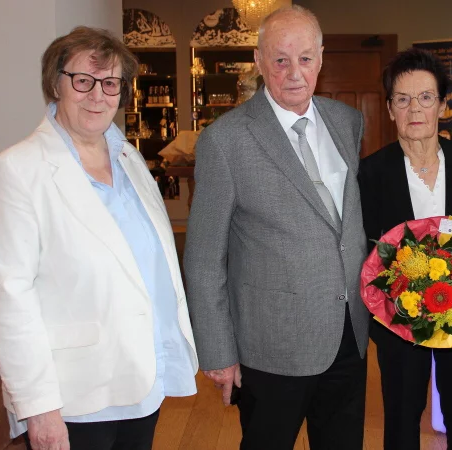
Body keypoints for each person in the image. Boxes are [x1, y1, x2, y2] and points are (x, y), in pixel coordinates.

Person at [0, 27, 198, 450]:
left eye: (111, 82)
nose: (97, 95)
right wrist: (38, 407)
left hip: (142, 381)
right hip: (75, 396)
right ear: (55, 84)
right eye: (83, 80)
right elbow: (10, 299)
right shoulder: (20, 169)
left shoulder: (130, 158)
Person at [184, 6, 368, 450]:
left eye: (305, 58)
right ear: (259, 59)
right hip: (270, 347)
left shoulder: (346, 122)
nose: (294, 73)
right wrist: (218, 352)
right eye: (280, 59)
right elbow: (204, 258)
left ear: (321, 58)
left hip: (348, 335)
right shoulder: (224, 141)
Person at [358, 48, 452, 450]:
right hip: (400, 321)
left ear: (443, 106)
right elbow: (366, 254)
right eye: (402, 99)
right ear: (390, 108)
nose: (415, 109)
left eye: (426, 97)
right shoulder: (371, 173)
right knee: (401, 418)